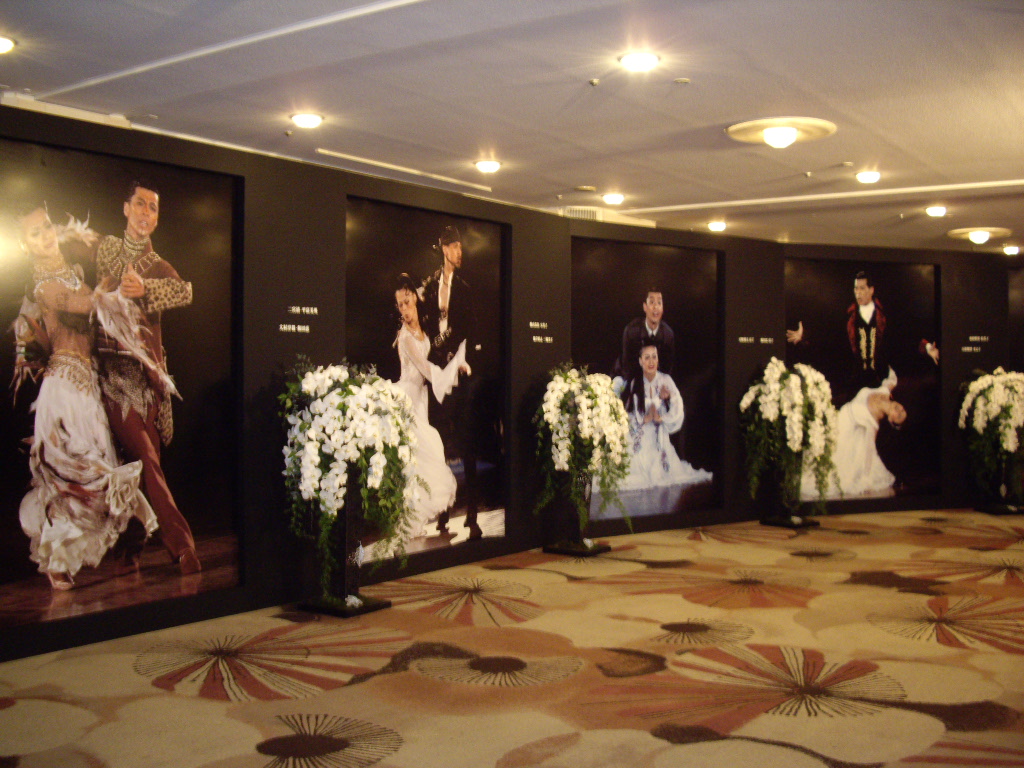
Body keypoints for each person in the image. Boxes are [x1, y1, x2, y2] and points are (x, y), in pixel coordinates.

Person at [12, 203, 158, 590]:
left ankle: (118, 539)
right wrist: (115, 286)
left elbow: (98, 315)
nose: (45, 236)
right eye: (34, 233)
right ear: (25, 246)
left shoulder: (74, 274)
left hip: (88, 388)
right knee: (75, 474)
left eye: (46, 226)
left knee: (95, 468)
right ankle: (57, 559)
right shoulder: (45, 287)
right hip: (63, 391)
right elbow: (85, 305)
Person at [92, 180, 200, 574]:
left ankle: (130, 548)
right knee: (146, 460)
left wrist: (146, 288)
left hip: (148, 381)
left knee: (141, 464)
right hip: (112, 375)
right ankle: (182, 545)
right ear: (126, 208)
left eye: (153, 208)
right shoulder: (108, 249)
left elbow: (185, 291)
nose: (146, 213)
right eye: (140, 204)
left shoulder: (159, 267)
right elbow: (102, 268)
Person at [393, 274, 468, 538]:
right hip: (408, 399)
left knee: (421, 455)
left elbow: (436, 351)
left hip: (421, 399)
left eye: (406, 301)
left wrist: (456, 362)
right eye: (400, 305)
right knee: (422, 452)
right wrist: (451, 371)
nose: (404, 308)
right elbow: (425, 368)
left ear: (414, 298)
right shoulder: (404, 337)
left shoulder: (423, 328)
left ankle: (414, 521)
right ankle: (410, 522)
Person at [419, 225, 482, 538]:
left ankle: (472, 511)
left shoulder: (465, 288)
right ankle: (444, 510)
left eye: (460, 247)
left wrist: (446, 344)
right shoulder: (431, 285)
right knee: (441, 443)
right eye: (455, 247)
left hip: (458, 368)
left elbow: (467, 327)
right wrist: (434, 348)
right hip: (437, 371)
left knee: (466, 441)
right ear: (444, 249)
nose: (459, 252)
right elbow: (427, 323)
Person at [787, 270, 939, 395]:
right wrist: (804, 335)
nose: (858, 293)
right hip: (854, 382)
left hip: (882, 379)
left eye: (862, 288)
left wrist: (927, 348)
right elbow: (828, 334)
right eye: (856, 289)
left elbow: (904, 336)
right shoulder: (848, 316)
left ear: (871, 290)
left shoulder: (885, 316)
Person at [802, 367, 906, 499]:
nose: (900, 410)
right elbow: (892, 378)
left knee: (825, 463)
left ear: (891, 419)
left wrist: (865, 478)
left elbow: (869, 450)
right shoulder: (884, 391)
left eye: (899, 416)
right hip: (837, 417)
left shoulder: (873, 422)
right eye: (903, 409)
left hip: (842, 430)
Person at [618, 342, 712, 490]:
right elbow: (630, 413)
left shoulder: (665, 380)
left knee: (661, 468)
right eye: (647, 357)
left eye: (654, 357)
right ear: (640, 361)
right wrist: (644, 419)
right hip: (639, 434)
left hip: (658, 435)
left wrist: (665, 406)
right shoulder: (635, 382)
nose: (651, 361)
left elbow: (678, 407)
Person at [614, 289, 675, 385]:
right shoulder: (631, 330)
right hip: (626, 376)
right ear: (645, 307)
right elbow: (627, 364)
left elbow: (667, 368)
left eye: (659, 303)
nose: (655, 307)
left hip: (654, 380)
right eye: (652, 302)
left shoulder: (668, 334)